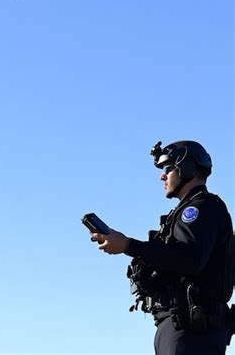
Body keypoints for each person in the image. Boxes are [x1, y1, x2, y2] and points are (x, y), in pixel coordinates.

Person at [90, 140, 234, 355]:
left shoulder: (200, 209)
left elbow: (189, 258)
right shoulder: (192, 209)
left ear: (187, 168)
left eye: (168, 169)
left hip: (191, 331)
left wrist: (128, 245)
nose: (162, 176)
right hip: (181, 328)